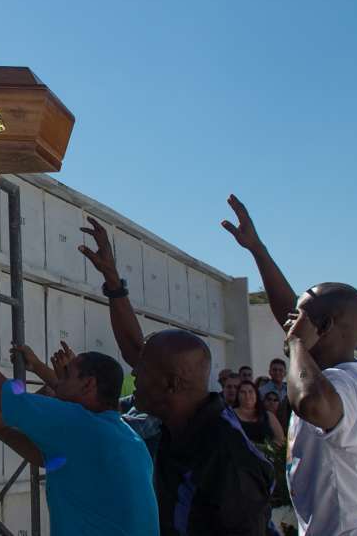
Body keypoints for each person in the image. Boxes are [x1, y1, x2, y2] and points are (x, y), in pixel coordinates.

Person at [78, 217, 273, 534]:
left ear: (171, 384)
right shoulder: (176, 417)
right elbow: (135, 349)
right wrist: (112, 282)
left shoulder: (228, 464)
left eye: (142, 371)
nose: (134, 374)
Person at [223, 194, 357, 535]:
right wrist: (258, 250)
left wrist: (296, 344)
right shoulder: (351, 374)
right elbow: (290, 313)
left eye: (301, 319)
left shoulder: (348, 384)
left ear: (325, 327)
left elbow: (310, 402)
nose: (290, 324)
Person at [0, 292, 158, 536]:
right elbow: (49, 458)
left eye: (66, 375)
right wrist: (2, 431)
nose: (57, 381)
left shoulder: (79, 423)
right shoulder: (121, 434)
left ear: (88, 385)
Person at [233, 380, 285, 445]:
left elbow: (281, 439)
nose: (247, 395)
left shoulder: (268, 415)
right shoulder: (230, 415)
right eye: (243, 392)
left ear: (256, 395)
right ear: (237, 395)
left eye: (250, 391)